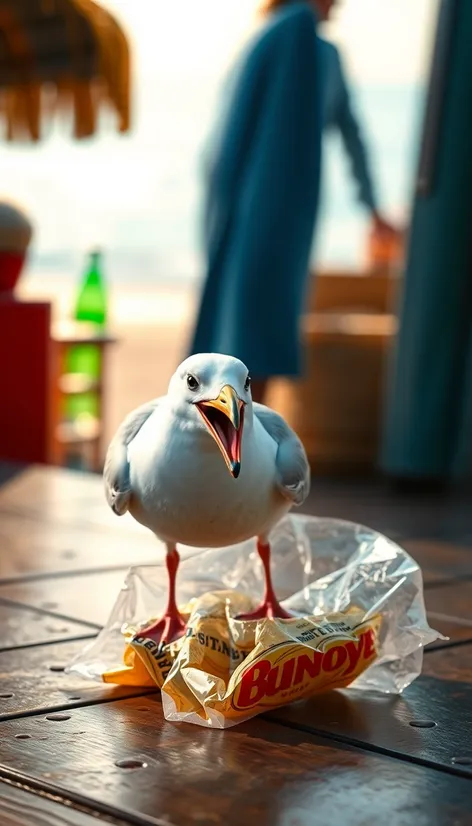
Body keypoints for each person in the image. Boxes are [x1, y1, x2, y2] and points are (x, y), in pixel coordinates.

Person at [188, 0, 324, 404]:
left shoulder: (266, 34)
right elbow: (287, 146)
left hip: (237, 216)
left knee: (238, 337)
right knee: (256, 340)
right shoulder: (296, 29)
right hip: (267, 219)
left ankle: (233, 450)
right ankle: (243, 452)